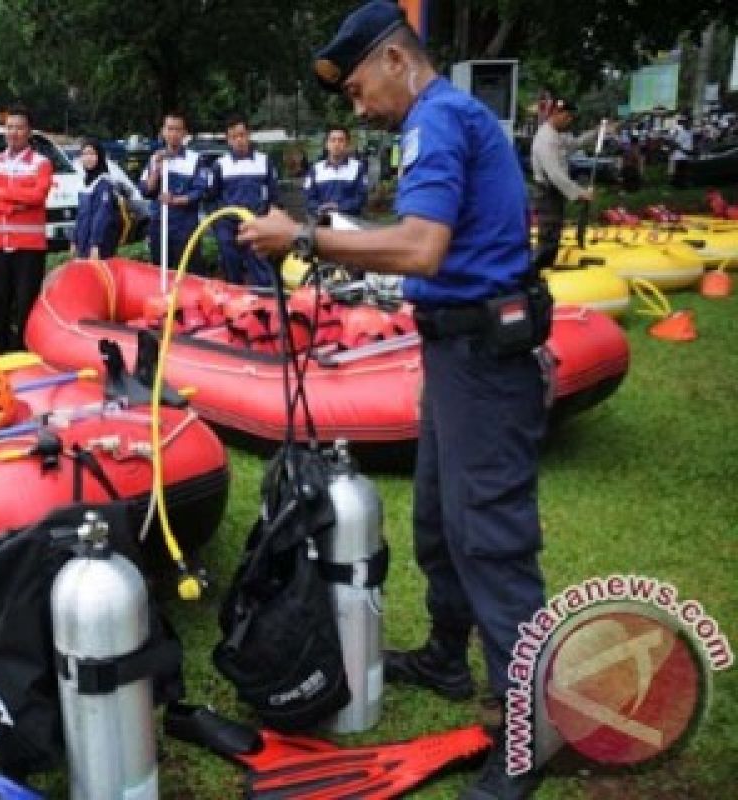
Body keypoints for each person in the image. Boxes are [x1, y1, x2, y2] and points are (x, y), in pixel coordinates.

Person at [238, 4, 550, 797]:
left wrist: (305, 239)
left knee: (491, 541)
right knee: (440, 522)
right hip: (456, 352)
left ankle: (531, 733)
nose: (357, 107)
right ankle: (450, 657)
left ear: (395, 61)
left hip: (485, 360)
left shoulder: (436, 121)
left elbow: (422, 244)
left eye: (356, 89)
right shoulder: (446, 119)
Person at [0, 106, 53, 354]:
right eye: (9, 127)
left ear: (29, 132)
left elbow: (38, 195)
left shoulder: (41, 163)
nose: (14, 132)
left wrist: (3, 193)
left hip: (29, 247)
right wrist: (9, 206)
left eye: (19, 127)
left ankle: (26, 354)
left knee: (26, 305)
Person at [208, 115, 279, 286]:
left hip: (255, 222)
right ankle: (235, 306)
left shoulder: (264, 161)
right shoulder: (220, 165)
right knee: (231, 268)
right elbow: (211, 196)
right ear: (228, 140)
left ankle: (263, 304)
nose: (239, 140)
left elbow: (274, 195)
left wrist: (269, 219)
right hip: (228, 224)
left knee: (261, 270)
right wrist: (218, 224)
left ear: (248, 135)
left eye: (242, 135)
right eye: (234, 136)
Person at [530, 97, 598, 267]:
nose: (569, 121)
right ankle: (537, 273)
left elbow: (575, 143)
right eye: (567, 117)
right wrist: (579, 193)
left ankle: (544, 270)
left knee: (553, 235)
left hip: (554, 192)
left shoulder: (556, 135)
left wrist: (599, 131)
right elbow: (555, 174)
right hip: (547, 192)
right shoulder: (546, 139)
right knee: (549, 236)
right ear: (555, 113)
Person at [141, 111, 208, 275]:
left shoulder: (195, 160)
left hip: (184, 227)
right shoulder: (155, 158)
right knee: (161, 274)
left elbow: (200, 192)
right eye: (170, 129)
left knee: (187, 274)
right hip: (159, 226)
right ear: (163, 131)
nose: (173, 134)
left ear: (185, 133)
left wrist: (175, 200)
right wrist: (156, 168)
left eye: (178, 129)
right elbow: (145, 190)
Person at [303, 125, 369, 219]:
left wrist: (339, 207)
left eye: (341, 140)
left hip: (350, 223)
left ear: (347, 144)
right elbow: (309, 198)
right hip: (323, 223)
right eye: (332, 140)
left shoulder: (358, 167)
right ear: (326, 144)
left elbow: (361, 198)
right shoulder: (315, 169)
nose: (336, 144)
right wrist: (320, 207)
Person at [73, 140, 122, 260]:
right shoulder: (83, 184)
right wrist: (74, 240)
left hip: (100, 246)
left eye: (92, 154)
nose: (88, 158)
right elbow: (80, 216)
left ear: (99, 156)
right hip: (84, 244)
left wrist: (96, 244)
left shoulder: (104, 183)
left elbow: (102, 216)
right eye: (84, 154)